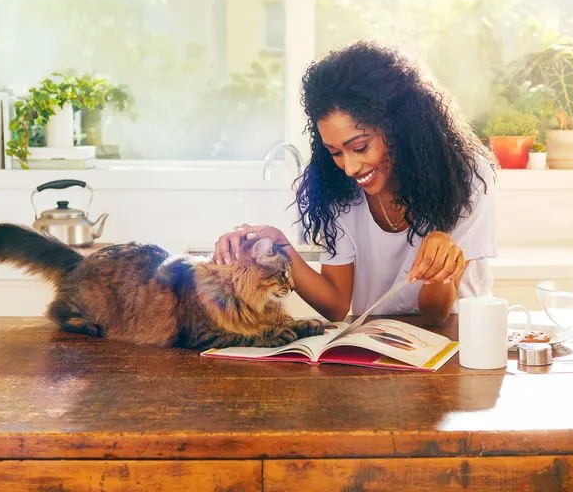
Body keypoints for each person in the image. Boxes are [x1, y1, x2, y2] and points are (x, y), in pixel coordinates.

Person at [213, 40, 498, 324]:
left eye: (360, 147)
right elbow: (336, 305)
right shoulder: (339, 189)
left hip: (461, 342)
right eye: (335, 152)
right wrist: (281, 245)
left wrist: (442, 257)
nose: (348, 167)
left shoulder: (468, 177)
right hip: (378, 344)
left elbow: (435, 314)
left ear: (399, 128)